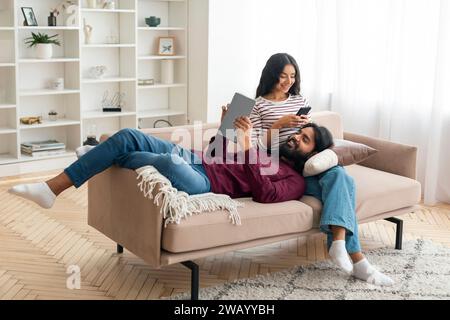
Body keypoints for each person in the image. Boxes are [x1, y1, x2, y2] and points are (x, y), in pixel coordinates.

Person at [240, 52, 394, 286]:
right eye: (282, 76)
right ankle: (356, 259)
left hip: (308, 160)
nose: (288, 82)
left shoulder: (299, 101)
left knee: (340, 176)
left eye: (292, 76)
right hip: (281, 164)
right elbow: (254, 148)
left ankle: (342, 246)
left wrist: (306, 131)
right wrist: (279, 126)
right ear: (271, 75)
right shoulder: (258, 105)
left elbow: (312, 133)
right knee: (345, 183)